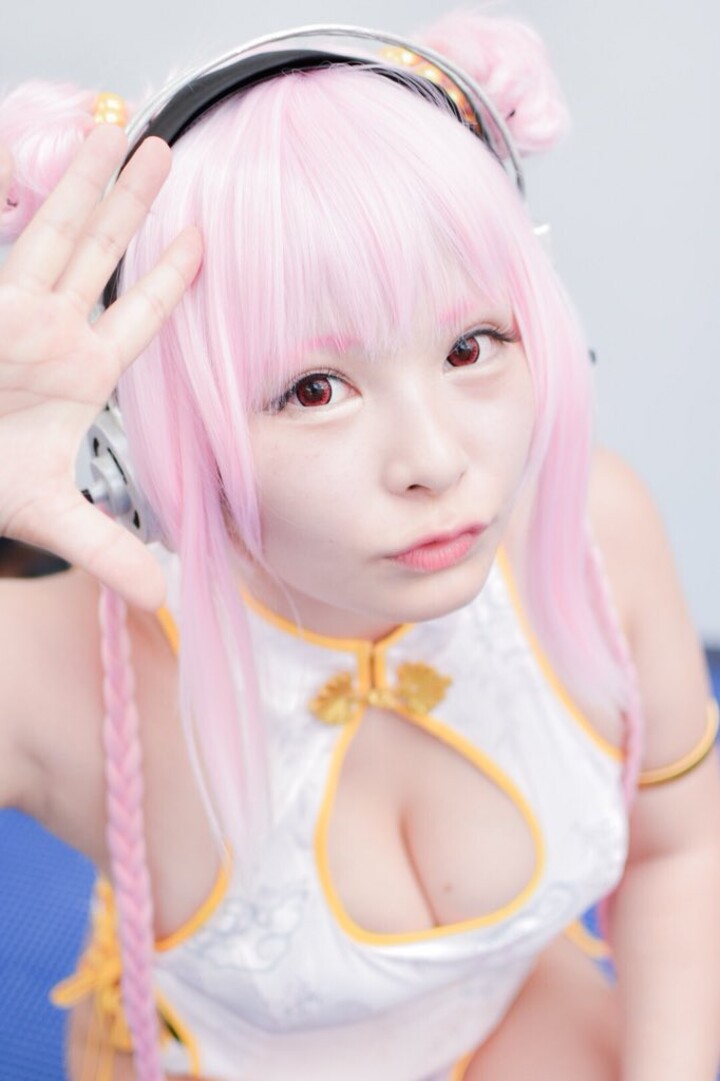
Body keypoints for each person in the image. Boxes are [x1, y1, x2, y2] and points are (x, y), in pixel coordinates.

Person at [0, 11, 719, 1081]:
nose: (436, 459)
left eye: (472, 345)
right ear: (148, 436)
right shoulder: (53, 665)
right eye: (314, 388)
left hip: (514, 1024)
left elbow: (679, 850)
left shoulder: (595, 530)